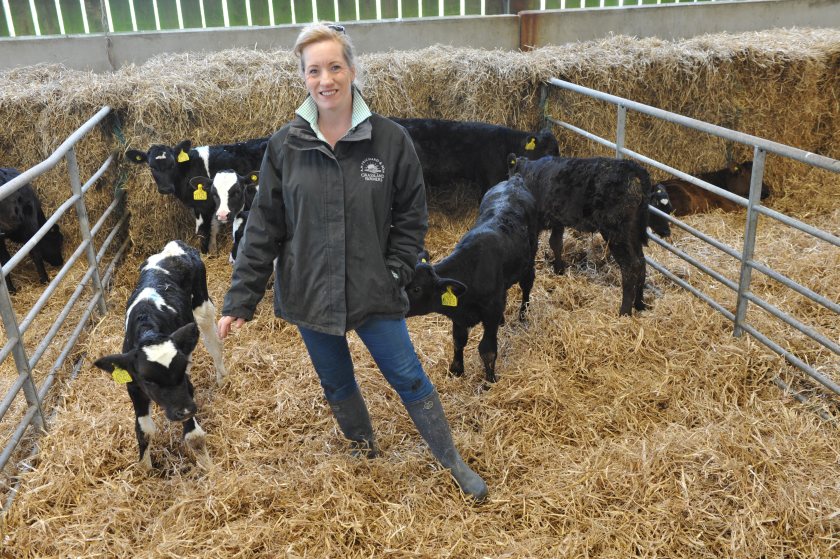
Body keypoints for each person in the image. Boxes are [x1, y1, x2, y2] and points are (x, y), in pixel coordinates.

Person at [217, 22, 488, 502]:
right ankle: (363, 448)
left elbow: (411, 215)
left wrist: (398, 270)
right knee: (335, 377)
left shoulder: (389, 141)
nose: (326, 79)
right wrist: (242, 296)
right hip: (308, 288)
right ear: (303, 77)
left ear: (353, 70)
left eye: (335, 67)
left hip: (373, 286)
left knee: (407, 374)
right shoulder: (285, 146)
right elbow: (264, 226)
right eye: (314, 70)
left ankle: (451, 459)